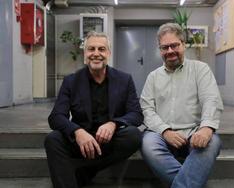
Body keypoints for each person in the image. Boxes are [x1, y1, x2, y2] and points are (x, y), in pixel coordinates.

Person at [44, 31, 143, 188]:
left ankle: (87, 170)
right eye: (91, 49)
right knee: (53, 139)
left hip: (110, 141)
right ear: (85, 54)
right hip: (81, 141)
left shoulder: (125, 79)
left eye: (101, 49)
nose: (96, 54)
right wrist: (77, 131)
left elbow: (136, 114)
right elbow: (56, 116)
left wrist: (114, 124)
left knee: (133, 136)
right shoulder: (71, 81)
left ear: (108, 53)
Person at [140, 23, 224, 188]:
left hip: (194, 132)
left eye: (175, 45)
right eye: (165, 47)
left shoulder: (201, 69)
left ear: (183, 44)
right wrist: (165, 131)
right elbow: (147, 109)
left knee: (213, 142)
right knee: (147, 144)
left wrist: (207, 127)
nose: (170, 51)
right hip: (160, 134)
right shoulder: (153, 77)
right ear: (160, 50)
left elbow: (211, 99)